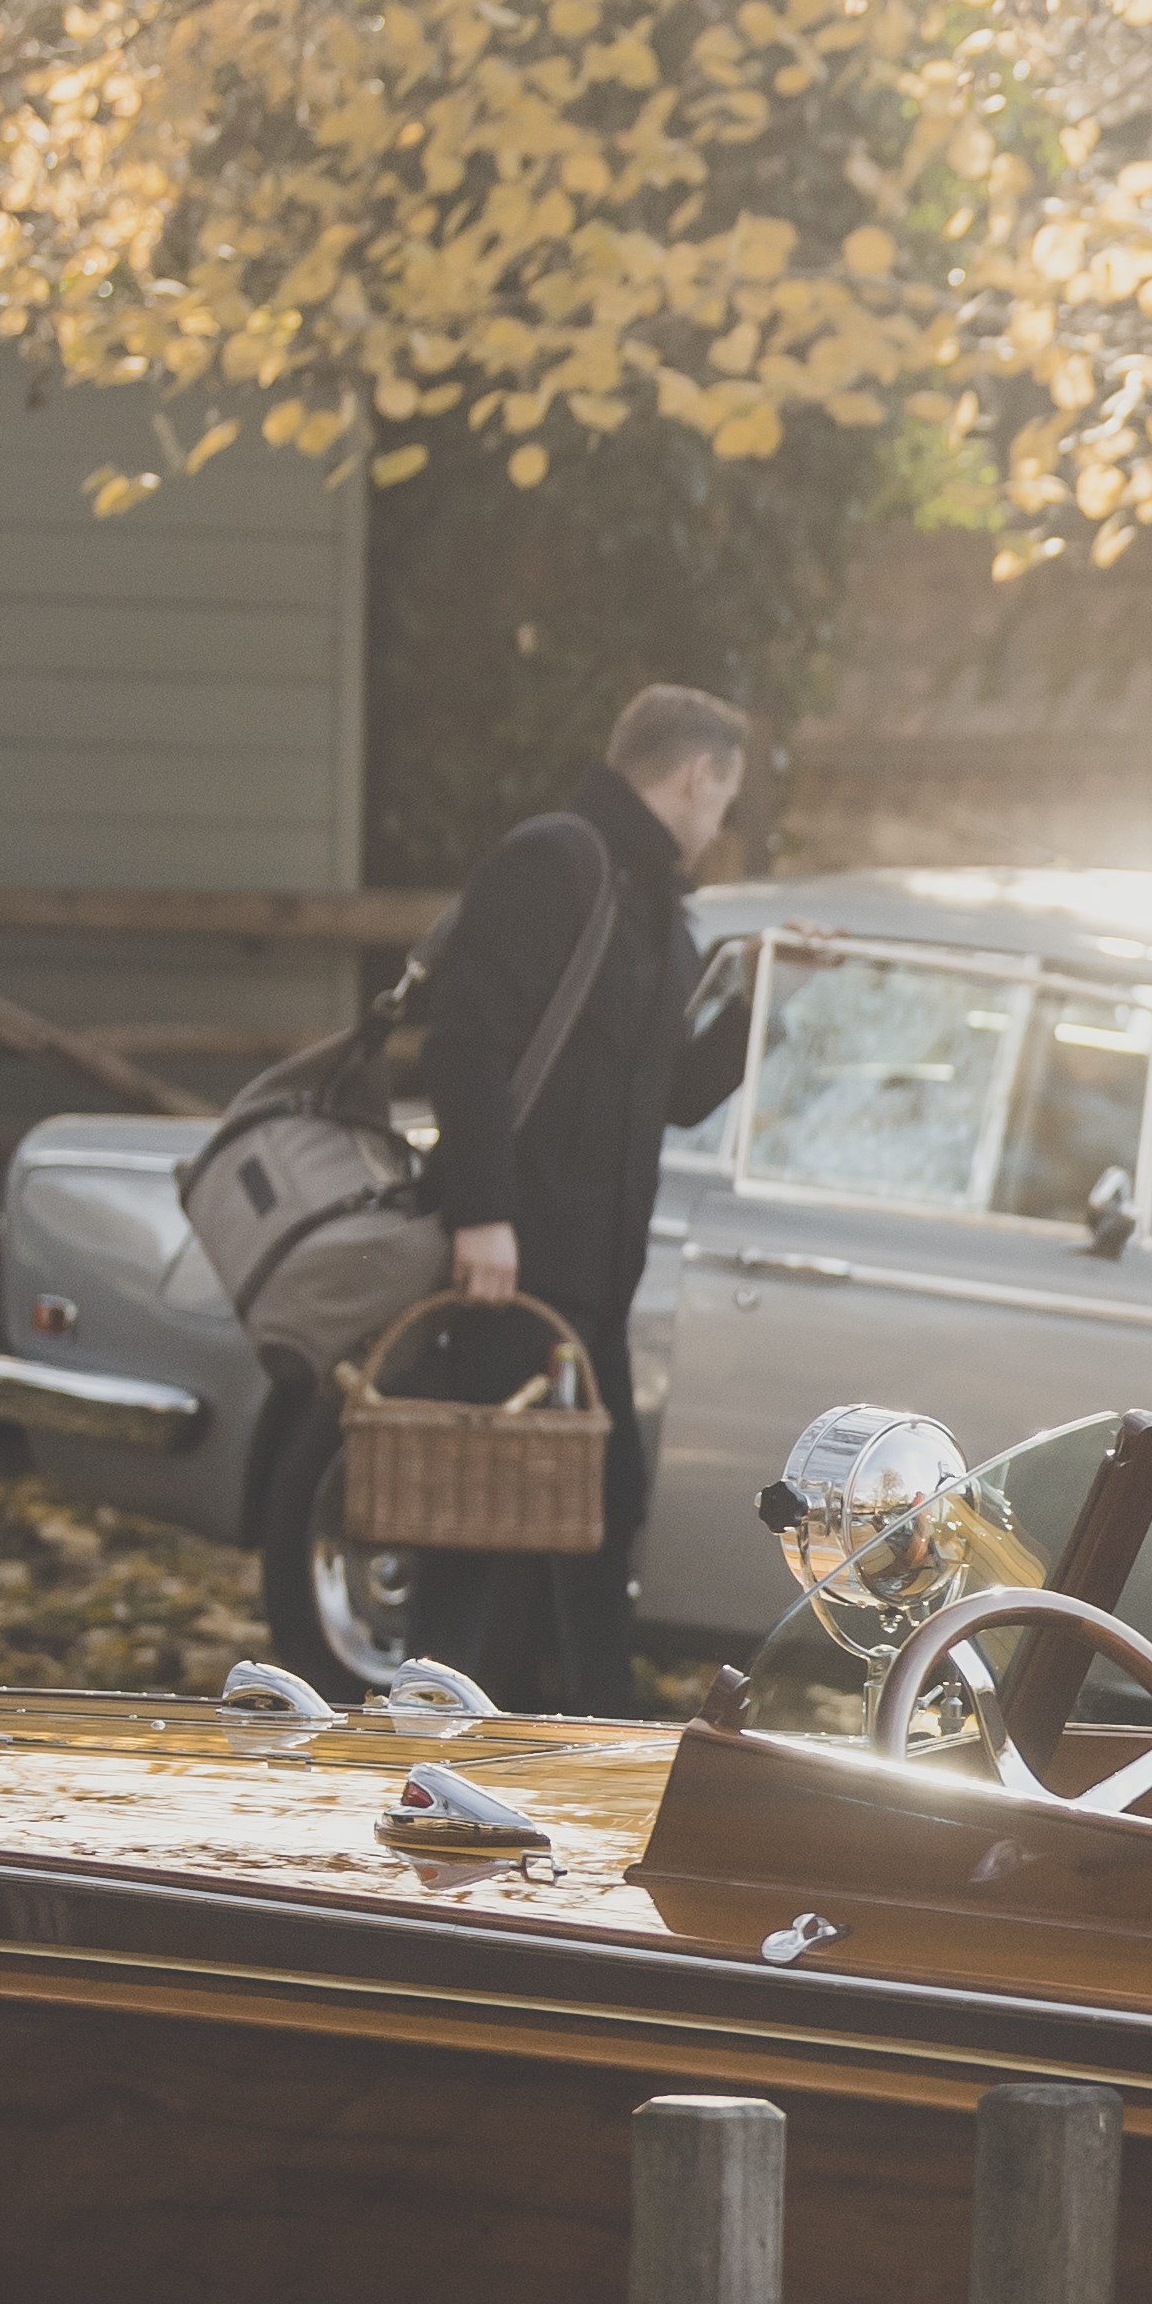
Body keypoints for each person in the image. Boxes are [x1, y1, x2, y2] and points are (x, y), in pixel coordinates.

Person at [397, 684, 761, 1713]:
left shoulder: (661, 914)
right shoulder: (555, 862)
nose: (719, 824)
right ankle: (428, 1734)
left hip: (593, 1282)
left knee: (602, 1511)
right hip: (512, 1264)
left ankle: (590, 1733)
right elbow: (464, 1042)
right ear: (697, 774)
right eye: (723, 799)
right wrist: (483, 1215)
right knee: (475, 1526)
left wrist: (768, 1001)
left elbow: (672, 1094)